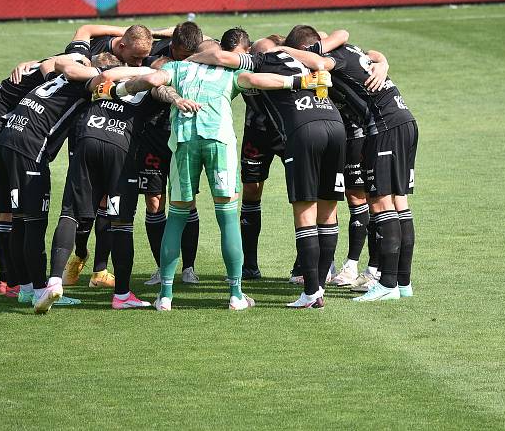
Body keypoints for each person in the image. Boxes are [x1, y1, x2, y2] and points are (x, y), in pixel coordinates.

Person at [110, 40, 333, 311]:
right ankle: (235, 294)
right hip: (219, 141)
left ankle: (165, 296)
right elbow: (257, 80)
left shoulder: (180, 68)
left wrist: (118, 89)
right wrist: (300, 82)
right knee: (227, 217)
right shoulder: (229, 73)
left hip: (184, 141)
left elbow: (152, 79)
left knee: (177, 215)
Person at [50, 58, 200, 309]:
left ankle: (54, 282)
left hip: (88, 135)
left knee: (71, 213)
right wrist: (174, 97)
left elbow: (87, 75)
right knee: (121, 222)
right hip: (119, 146)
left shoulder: (111, 77)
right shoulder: (150, 81)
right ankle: (121, 295)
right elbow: (158, 85)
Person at [299, 28, 417, 301]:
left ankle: (387, 283)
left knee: (380, 203)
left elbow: (319, 62)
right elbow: (371, 53)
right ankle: (402, 283)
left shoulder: (332, 56)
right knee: (399, 202)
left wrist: (291, 53)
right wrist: (383, 61)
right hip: (404, 121)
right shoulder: (352, 50)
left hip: (384, 126)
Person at [0, 54, 104, 313]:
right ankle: (42, 290)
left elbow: (47, 63)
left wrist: (67, 59)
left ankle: (26, 287)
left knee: (19, 220)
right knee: (33, 224)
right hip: (29, 150)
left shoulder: (57, 77)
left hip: (6, 141)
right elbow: (107, 80)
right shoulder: (82, 85)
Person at [0, 54, 80, 297]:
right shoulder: (80, 73)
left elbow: (52, 64)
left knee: (16, 215)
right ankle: (19, 283)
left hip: (9, 132)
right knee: (17, 215)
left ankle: (20, 284)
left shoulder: (58, 70)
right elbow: (82, 37)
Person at [139, 22, 206, 286]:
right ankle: (161, 268)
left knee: (186, 200)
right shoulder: (158, 59)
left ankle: (189, 268)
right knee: (154, 201)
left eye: (192, 54)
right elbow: (156, 83)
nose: (186, 60)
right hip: (154, 136)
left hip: (184, 138)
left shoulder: (202, 57)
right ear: (173, 46)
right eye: (182, 54)